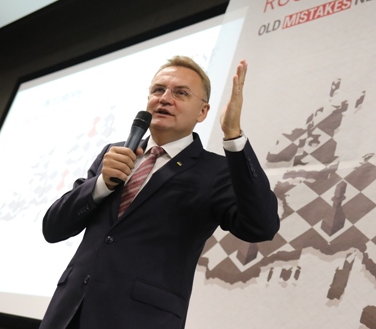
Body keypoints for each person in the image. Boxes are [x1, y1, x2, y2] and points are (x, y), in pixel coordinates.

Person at [39, 57, 280, 329]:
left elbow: (261, 226)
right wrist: (101, 184)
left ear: (202, 112)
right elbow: (53, 228)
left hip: (141, 320)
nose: (165, 98)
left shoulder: (216, 170)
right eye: (158, 90)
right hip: (68, 315)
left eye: (181, 93)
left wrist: (233, 135)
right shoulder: (115, 154)